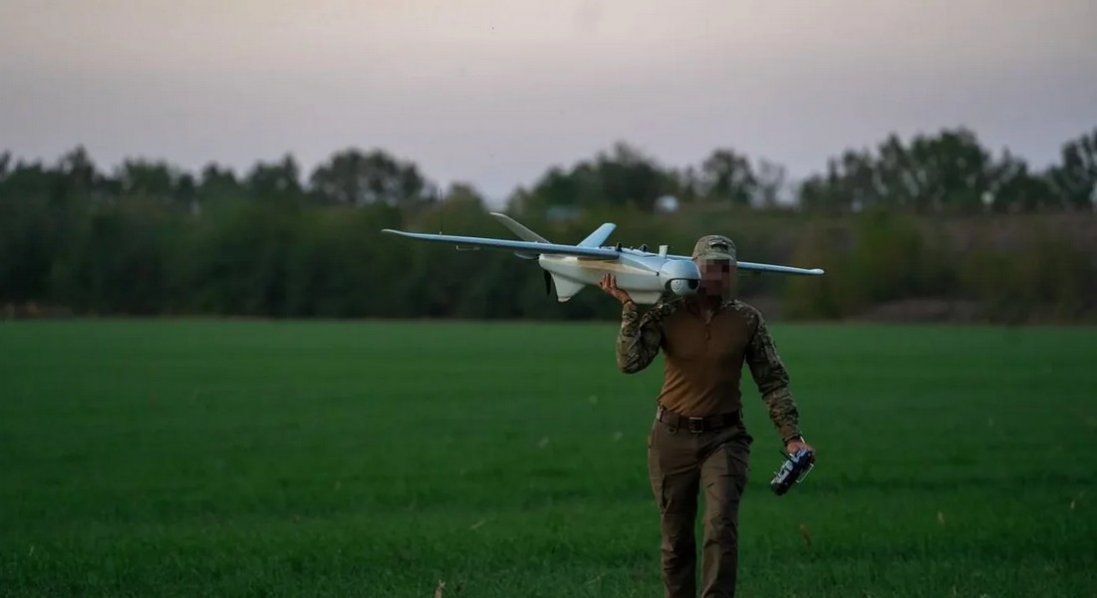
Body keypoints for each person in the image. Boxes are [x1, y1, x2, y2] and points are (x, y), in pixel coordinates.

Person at [598, 234, 814, 598]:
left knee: (720, 526)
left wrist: (792, 437)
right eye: (710, 267)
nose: (718, 275)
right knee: (675, 540)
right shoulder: (668, 313)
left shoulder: (747, 320)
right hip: (671, 439)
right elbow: (630, 362)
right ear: (694, 268)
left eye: (726, 268)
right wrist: (630, 308)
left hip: (725, 438)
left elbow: (772, 382)